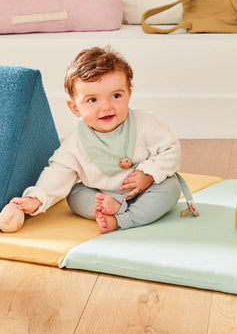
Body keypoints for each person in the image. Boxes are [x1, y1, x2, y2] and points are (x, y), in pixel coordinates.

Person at [9, 46, 182, 234]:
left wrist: (148, 174)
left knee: (171, 187)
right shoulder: (76, 142)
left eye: (116, 96)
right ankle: (117, 206)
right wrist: (36, 199)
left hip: (145, 190)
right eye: (92, 100)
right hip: (102, 195)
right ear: (75, 108)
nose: (106, 107)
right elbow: (58, 172)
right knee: (75, 195)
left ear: (128, 95)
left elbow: (170, 149)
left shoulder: (144, 123)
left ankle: (124, 219)